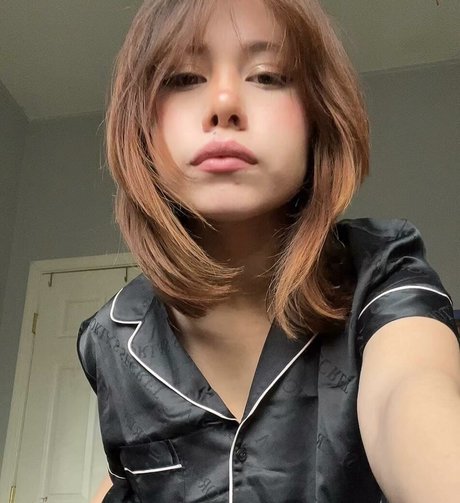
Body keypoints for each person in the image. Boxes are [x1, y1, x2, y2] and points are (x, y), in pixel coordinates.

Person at [77, 0, 460, 502]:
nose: (223, 103)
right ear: (142, 128)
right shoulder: (109, 337)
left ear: (318, 118)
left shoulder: (382, 273)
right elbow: (125, 476)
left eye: (267, 76)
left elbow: (409, 396)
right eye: (184, 78)